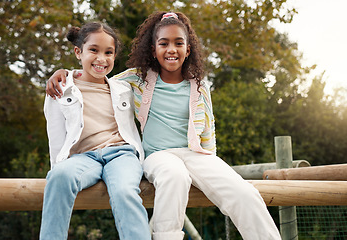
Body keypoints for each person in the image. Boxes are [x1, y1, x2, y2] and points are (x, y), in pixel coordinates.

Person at [46, 12, 281, 240]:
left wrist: (211, 166)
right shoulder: (136, 79)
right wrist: (64, 74)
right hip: (158, 155)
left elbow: (208, 130)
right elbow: (98, 79)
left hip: (196, 154)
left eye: (179, 43)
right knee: (174, 175)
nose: (171, 49)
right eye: (164, 43)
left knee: (245, 193)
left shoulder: (199, 86)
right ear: (153, 49)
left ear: (188, 50)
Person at [40, 22, 150, 240]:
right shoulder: (60, 88)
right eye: (94, 50)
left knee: (124, 191)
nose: (102, 58)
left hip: (121, 154)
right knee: (59, 176)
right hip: (83, 158)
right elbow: (55, 136)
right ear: (78, 52)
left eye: (109, 53)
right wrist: (57, 170)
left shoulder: (123, 87)